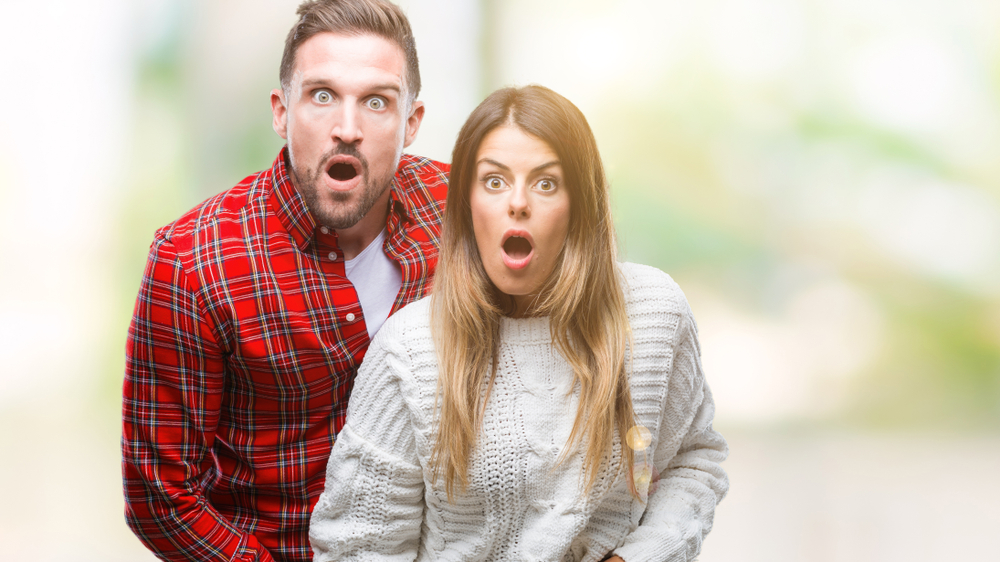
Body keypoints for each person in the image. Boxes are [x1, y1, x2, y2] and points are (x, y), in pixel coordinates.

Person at [309, 85, 729, 562]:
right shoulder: (410, 350)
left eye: (546, 183)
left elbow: (693, 462)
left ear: (581, 203)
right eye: (494, 181)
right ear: (466, 203)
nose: (518, 203)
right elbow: (357, 547)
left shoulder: (654, 313)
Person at [121, 1, 448, 561]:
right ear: (281, 111)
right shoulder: (191, 262)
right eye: (321, 96)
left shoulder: (461, 210)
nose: (347, 129)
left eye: (376, 102)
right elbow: (160, 496)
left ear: (411, 123)